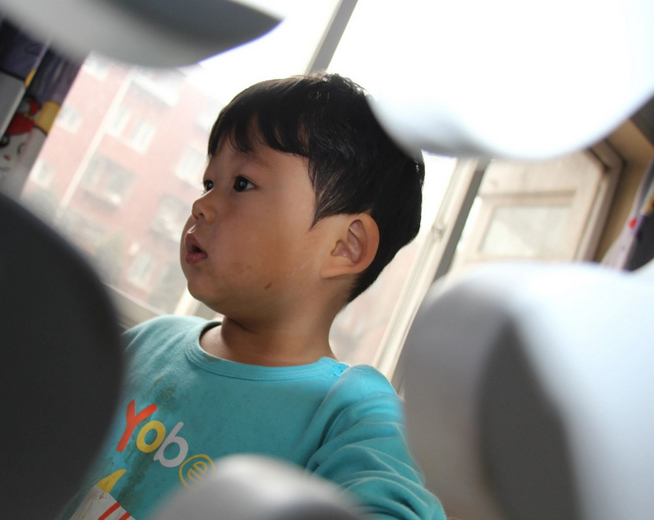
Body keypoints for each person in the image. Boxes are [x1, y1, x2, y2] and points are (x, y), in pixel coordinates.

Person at [60, 73, 446, 520]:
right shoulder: (151, 341)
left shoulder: (355, 414)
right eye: (209, 183)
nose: (201, 205)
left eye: (241, 184)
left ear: (345, 246)